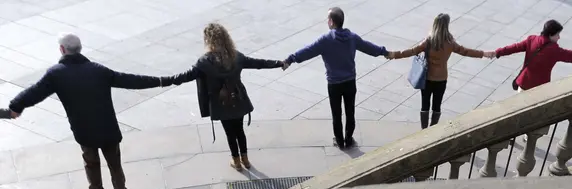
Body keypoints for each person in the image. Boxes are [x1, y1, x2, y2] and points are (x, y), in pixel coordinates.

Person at [8, 33, 165, 189]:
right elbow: (130, 80)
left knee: (91, 163)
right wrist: (160, 81)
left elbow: (34, 92)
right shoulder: (98, 70)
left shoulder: (56, 74)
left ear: (62, 50)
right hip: (108, 129)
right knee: (115, 164)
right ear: (80, 48)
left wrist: (15, 106)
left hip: (84, 131)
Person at [163, 23, 284, 171]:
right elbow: (258, 63)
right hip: (238, 99)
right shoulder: (236, 57)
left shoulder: (204, 63)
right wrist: (279, 63)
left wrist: (165, 81)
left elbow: (186, 76)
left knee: (230, 133)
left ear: (208, 41)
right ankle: (246, 160)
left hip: (220, 103)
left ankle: (236, 161)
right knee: (240, 130)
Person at [283, 7, 388, 148]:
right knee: (350, 112)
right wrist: (384, 51)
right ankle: (349, 139)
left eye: (328, 19)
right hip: (350, 81)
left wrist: (290, 59)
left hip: (334, 84)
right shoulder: (352, 37)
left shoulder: (325, 40)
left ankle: (339, 141)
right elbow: (368, 47)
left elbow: (308, 51)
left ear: (331, 22)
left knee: (336, 114)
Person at [387, 14, 493, 129]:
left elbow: (412, 51)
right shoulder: (450, 42)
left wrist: (394, 54)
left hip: (427, 78)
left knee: (425, 104)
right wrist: (483, 53)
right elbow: (466, 51)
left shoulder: (429, 41)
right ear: (446, 25)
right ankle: (433, 129)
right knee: (437, 105)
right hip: (441, 79)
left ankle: (424, 129)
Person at [491, 20, 572, 92]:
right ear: (551, 35)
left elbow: (513, 48)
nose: (559, 37)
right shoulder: (554, 50)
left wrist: (497, 52)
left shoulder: (531, 40)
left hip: (523, 84)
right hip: (540, 89)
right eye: (557, 35)